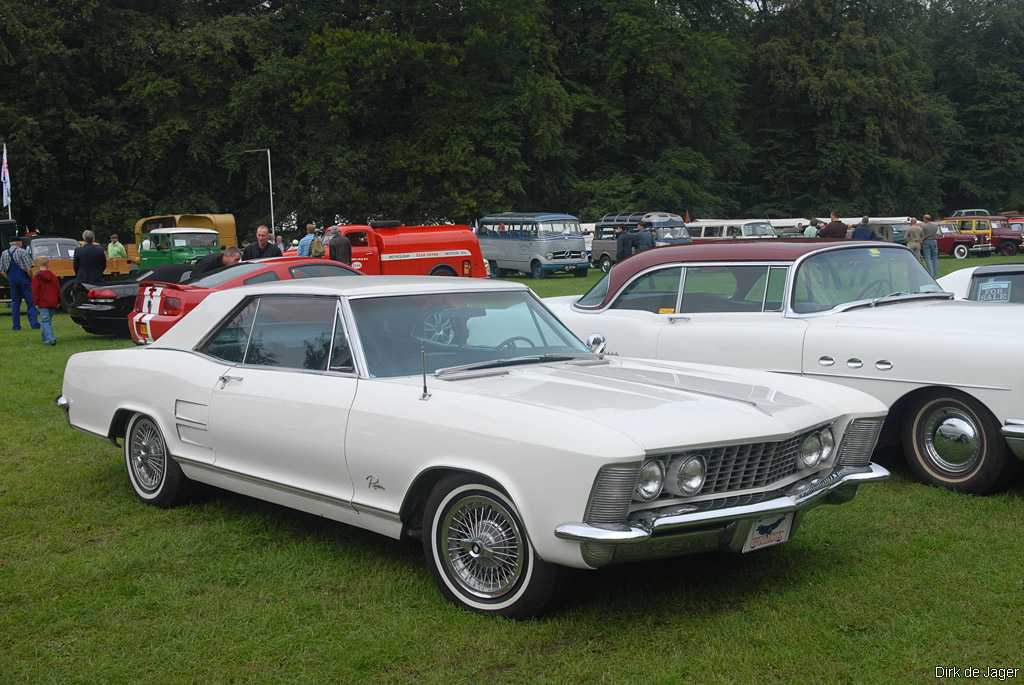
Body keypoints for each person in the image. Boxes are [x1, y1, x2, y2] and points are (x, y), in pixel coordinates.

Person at [0, 234, 40, 331]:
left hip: (12, 280)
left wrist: (9, 278)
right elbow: (28, 269)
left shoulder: (4, 253)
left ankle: (16, 326)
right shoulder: (22, 252)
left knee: (15, 303)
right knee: (30, 302)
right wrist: (32, 278)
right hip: (24, 280)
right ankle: (34, 324)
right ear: (18, 243)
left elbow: (1, 270)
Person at [31, 255, 60, 345]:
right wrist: (58, 300)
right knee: (47, 321)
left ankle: (50, 338)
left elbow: (35, 290)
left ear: (37, 264)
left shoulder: (37, 276)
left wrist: (35, 302)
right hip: (53, 301)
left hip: (42, 302)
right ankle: (45, 339)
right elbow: (58, 289)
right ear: (48, 264)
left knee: (45, 321)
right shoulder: (53, 276)